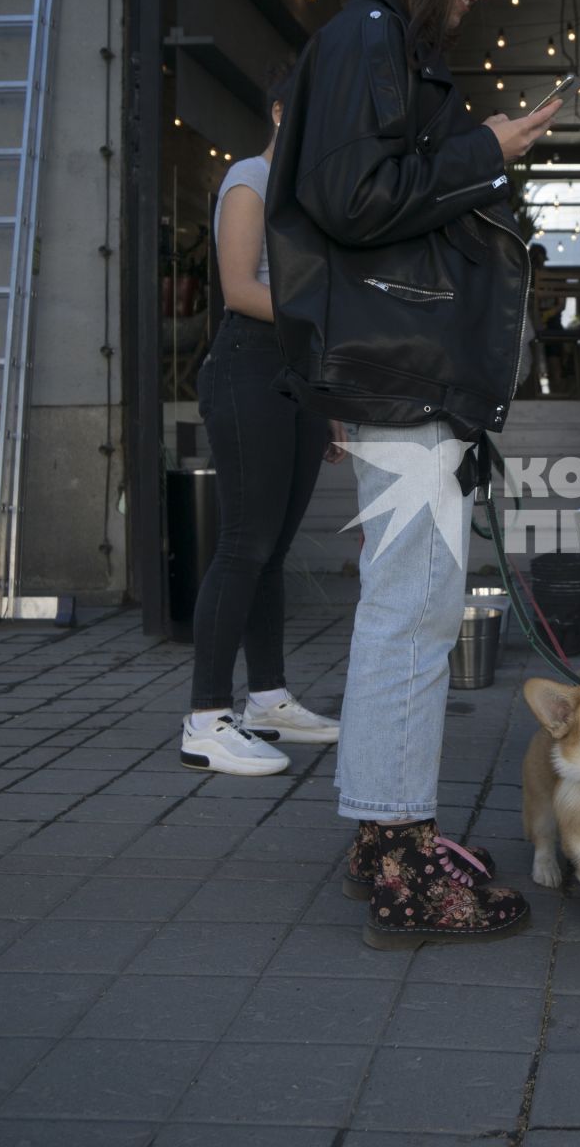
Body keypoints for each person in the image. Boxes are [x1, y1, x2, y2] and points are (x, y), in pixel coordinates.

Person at [265, 0, 559, 946]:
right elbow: (353, 200)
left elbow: (366, 192)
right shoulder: (367, 41)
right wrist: (485, 149)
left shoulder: (378, 43)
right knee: (415, 610)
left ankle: (380, 841)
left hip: (408, 377)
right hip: (406, 379)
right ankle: (397, 854)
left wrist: (471, 152)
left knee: (416, 604)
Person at [179, 59, 344, 778]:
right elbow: (240, 289)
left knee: (273, 549)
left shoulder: (310, 198)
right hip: (247, 365)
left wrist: (327, 398)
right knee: (243, 544)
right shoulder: (250, 179)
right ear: (281, 114)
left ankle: (267, 699)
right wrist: (322, 316)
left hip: (298, 376)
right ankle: (206, 718)